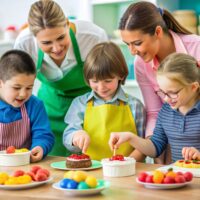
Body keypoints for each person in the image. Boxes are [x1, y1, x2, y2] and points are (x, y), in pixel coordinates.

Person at [14, 0, 108, 156]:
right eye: (46, 43)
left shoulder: (93, 37)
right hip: (50, 109)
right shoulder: (24, 44)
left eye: (60, 37)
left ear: (67, 23)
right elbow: (17, 89)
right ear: (34, 36)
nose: (56, 48)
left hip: (90, 106)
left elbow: (109, 79)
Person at [118, 1, 200, 163]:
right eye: (127, 45)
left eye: (137, 43)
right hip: (177, 155)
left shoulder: (196, 47)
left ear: (157, 32)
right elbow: (155, 113)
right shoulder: (141, 64)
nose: (132, 52)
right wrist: (153, 149)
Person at [109, 53, 200, 162]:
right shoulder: (166, 110)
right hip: (178, 177)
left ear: (194, 87)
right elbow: (155, 148)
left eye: (172, 93)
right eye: (163, 92)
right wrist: (130, 137)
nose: (166, 99)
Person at [63, 42, 146, 161]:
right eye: (95, 81)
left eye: (107, 81)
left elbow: (143, 145)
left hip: (127, 171)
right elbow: (68, 137)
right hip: (90, 170)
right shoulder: (80, 104)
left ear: (121, 75)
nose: (101, 87)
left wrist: (128, 163)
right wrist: (76, 136)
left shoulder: (135, 105)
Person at [0, 50, 54, 162]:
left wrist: (40, 147)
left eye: (29, 88)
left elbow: (43, 134)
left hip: (26, 165)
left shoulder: (35, 105)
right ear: (1, 83)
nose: (23, 94)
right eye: (16, 87)